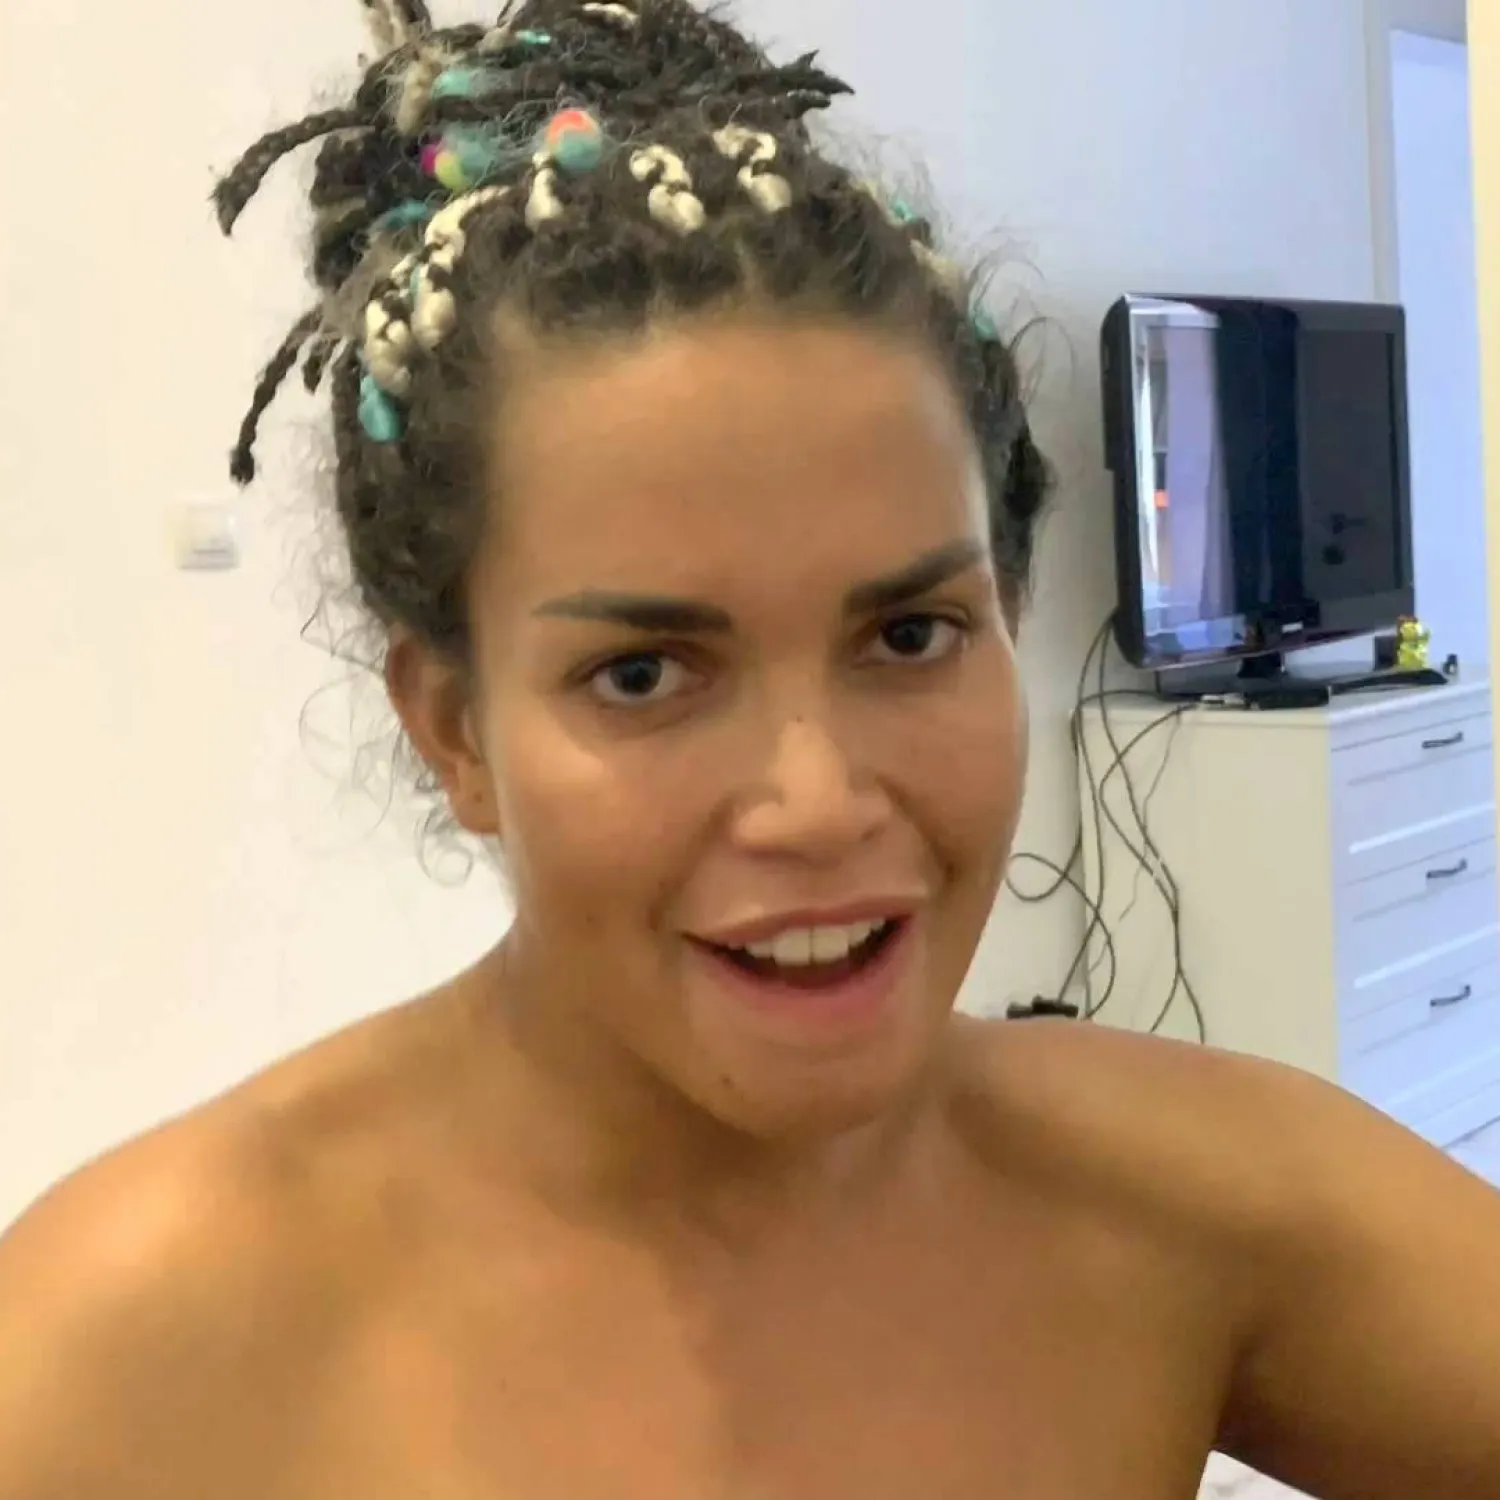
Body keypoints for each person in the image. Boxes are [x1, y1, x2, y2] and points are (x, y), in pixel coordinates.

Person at [2, 2, 1499, 1495]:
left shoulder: (1186, 1205)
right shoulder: (133, 1347)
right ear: (455, 728)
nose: (816, 801)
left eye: (908, 635)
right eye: (642, 673)